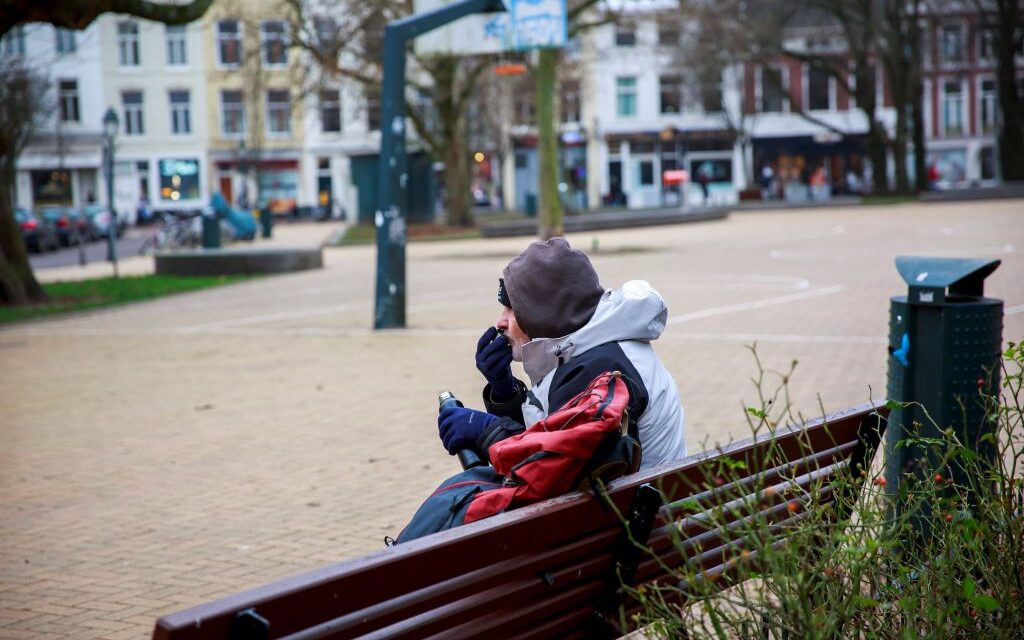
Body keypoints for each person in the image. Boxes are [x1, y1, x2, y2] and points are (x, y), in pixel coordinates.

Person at [438, 238, 687, 471]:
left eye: (512, 310)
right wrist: (506, 393)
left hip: (624, 514)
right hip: (643, 503)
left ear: (543, 313)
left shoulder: (595, 369)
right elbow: (556, 433)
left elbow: (554, 469)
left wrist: (488, 431)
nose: (500, 322)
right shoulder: (592, 347)